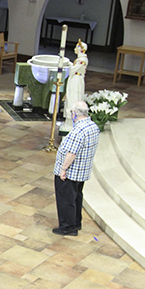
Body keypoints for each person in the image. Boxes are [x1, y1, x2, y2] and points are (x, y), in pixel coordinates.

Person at [53, 101, 99, 236]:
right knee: (76, 198)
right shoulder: (92, 126)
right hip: (82, 171)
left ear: (74, 114)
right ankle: (76, 222)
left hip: (71, 173)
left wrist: (63, 169)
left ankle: (68, 226)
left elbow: (71, 153)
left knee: (66, 200)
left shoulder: (78, 131)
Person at [62, 40, 88, 130]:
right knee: (70, 97)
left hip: (76, 81)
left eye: (76, 47)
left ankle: (73, 119)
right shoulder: (79, 60)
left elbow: (72, 70)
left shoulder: (82, 60)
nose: (74, 49)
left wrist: (69, 65)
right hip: (73, 80)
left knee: (74, 97)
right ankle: (68, 120)